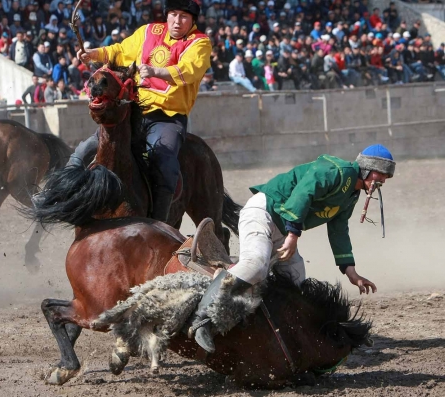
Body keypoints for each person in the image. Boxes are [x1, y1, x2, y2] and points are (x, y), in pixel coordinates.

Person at [190, 144, 396, 353]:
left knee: (295, 279)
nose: (383, 181)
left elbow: (339, 230)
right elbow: (304, 192)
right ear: (368, 168)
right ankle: (200, 319)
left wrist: (351, 272)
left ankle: (282, 336)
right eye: (382, 175)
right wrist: (293, 235)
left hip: (282, 227)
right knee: (255, 265)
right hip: (263, 212)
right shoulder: (336, 171)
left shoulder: (351, 194)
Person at [66, 0, 212, 222]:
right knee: (86, 148)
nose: (177, 21)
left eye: (184, 16)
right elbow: (121, 51)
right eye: (173, 14)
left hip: (167, 117)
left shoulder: (200, 43)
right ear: (167, 15)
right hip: (134, 110)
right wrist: (94, 54)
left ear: (192, 19)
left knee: (163, 158)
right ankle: (60, 195)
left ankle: (159, 221)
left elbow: (189, 71)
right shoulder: (148, 31)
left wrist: (156, 71)